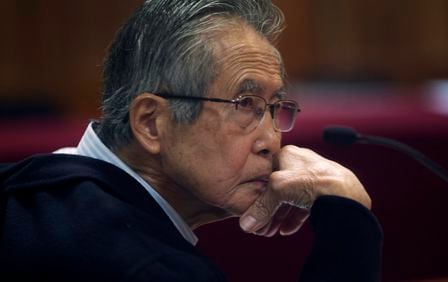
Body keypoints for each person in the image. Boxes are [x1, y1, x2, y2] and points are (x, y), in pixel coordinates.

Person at [0, 0, 382, 281]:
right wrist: (349, 224)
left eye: (274, 107)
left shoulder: (32, 192)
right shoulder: (147, 268)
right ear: (151, 123)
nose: (271, 140)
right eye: (244, 104)